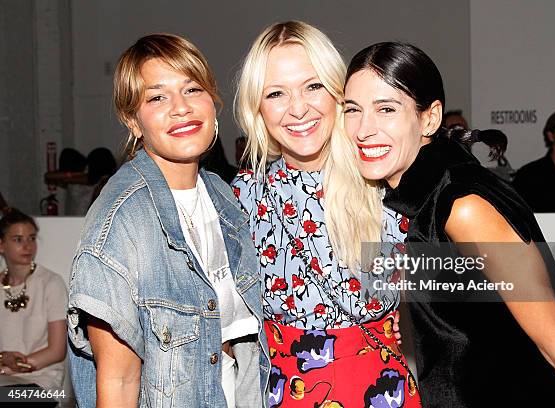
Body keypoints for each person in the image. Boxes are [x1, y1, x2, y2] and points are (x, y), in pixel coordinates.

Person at [333, 41, 555, 407]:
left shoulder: (461, 206)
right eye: (353, 110)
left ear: (430, 118)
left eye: (386, 109)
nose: (363, 129)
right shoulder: (425, 198)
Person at [66, 33, 268, 407]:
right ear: (133, 120)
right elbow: (120, 382)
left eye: (192, 89)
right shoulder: (122, 222)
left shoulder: (221, 196)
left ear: (212, 101)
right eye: (157, 97)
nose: (181, 108)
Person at [232, 21, 420, 407]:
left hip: (381, 390)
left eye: (313, 86)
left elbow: (469, 275)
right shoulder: (241, 198)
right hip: (286, 394)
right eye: (276, 93)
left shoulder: (384, 180)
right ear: (258, 108)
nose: (298, 108)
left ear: (339, 90)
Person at [0, 209, 67, 392]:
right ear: (1, 245)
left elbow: (57, 350)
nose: (28, 246)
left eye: (32, 238)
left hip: (42, 381)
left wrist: (16, 365)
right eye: (18, 239)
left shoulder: (52, 283)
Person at [443, 109, 515, 181]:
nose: (461, 134)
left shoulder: (487, 152)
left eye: (464, 130)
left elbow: (507, 179)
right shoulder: (439, 163)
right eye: (455, 130)